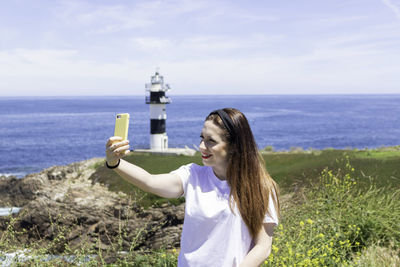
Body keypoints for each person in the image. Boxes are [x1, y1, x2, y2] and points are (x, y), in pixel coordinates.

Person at [105, 108, 280, 267]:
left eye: (211, 141)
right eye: (202, 138)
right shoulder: (192, 175)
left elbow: (263, 247)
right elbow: (150, 182)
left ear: (234, 146)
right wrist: (115, 163)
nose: (202, 146)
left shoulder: (261, 187)